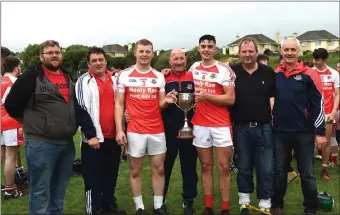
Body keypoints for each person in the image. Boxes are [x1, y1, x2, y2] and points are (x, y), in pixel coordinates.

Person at [4, 40, 97, 215]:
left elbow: (74, 105)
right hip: (41, 144)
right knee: (40, 192)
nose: (54, 55)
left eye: (57, 52)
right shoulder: (31, 77)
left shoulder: (66, 75)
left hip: (66, 144)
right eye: (50, 52)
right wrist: (30, 121)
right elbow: (11, 104)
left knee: (59, 191)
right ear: (41, 56)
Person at [115, 39, 176, 215]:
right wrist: (120, 129)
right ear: (135, 53)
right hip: (135, 130)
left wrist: (168, 100)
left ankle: (158, 206)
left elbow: (161, 104)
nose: (144, 54)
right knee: (135, 170)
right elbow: (118, 104)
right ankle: (139, 207)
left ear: (152, 53)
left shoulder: (158, 76)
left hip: (157, 129)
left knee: (159, 169)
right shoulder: (125, 75)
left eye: (147, 51)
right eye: (141, 51)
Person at [271, 37, 327, 215]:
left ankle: (311, 207)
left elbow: (319, 103)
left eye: (292, 50)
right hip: (280, 132)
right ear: (281, 52)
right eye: (286, 50)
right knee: (279, 171)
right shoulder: (276, 74)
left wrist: (320, 132)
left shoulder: (309, 73)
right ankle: (277, 204)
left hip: (304, 133)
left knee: (307, 172)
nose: (289, 53)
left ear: (298, 52)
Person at [76, 47, 126, 215]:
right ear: (89, 63)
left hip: (114, 136)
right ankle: (95, 209)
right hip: (94, 139)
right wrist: (91, 135)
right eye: (94, 60)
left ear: (106, 61)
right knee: (92, 176)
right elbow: (81, 109)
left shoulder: (116, 79)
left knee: (111, 173)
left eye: (100, 60)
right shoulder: (84, 81)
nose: (98, 63)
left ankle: (108, 203)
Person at [189, 34, 235, 215]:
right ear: (199, 48)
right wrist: (166, 72)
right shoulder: (193, 67)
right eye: (203, 46)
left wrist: (207, 96)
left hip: (220, 125)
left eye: (210, 46)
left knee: (223, 167)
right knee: (206, 166)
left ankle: (225, 208)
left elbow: (230, 98)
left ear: (215, 49)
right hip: (200, 124)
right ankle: (209, 206)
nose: (206, 49)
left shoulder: (224, 70)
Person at [230, 38, 275, 214]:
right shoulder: (232, 73)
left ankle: (265, 203)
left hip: (264, 127)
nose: (247, 55)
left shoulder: (268, 72)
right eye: (244, 51)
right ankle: (244, 201)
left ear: (257, 52)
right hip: (241, 127)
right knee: (244, 166)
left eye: (251, 51)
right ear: (239, 53)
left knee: (265, 168)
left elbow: (273, 96)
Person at [312, 48, 340, 178]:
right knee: (308, 141)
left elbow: (337, 94)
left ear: (325, 60)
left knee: (327, 141)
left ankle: (324, 168)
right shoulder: (310, 73)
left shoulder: (333, 73)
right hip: (312, 113)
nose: (315, 62)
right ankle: (306, 168)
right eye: (314, 59)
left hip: (328, 112)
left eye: (317, 60)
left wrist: (334, 111)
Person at [0, 56, 25, 199]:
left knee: (2, 154)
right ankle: (10, 190)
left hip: (1, 120)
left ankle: (9, 186)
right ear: (16, 68)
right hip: (11, 120)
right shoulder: (16, 82)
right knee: (11, 156)